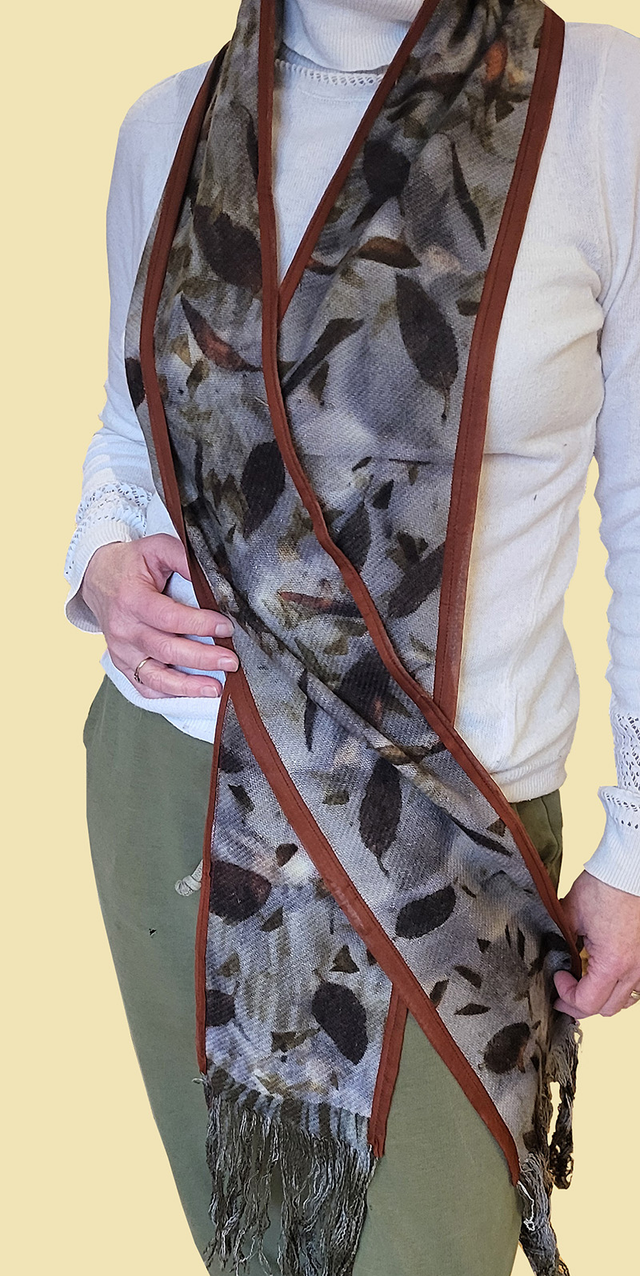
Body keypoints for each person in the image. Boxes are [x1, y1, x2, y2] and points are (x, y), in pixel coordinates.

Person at [65, 2, 640, 1274]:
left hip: (445, 833)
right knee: (248, 1245)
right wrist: (99, 561)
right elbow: (129, 424)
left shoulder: (598, 104)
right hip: (178, 790)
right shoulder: (171, 126)